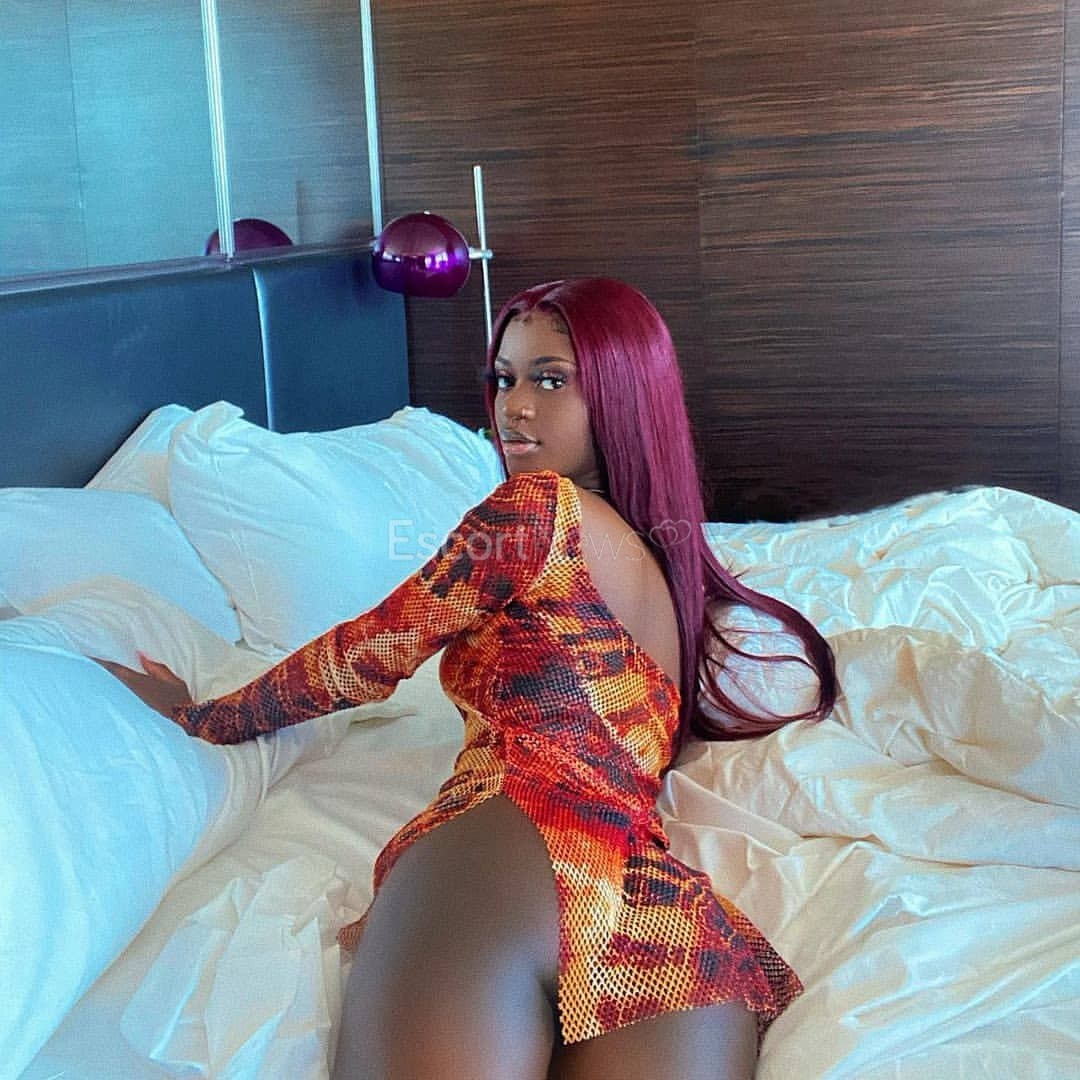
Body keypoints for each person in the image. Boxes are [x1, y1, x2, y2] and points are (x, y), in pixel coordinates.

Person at [101, 277, 836, 1080]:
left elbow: (370, 652)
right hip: (656, 910)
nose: (512, 406)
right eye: (503, 378)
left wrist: (205, 716)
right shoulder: (670, 570)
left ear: (623, 391)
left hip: (504, 856)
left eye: (550, 379)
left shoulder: (534, 511)